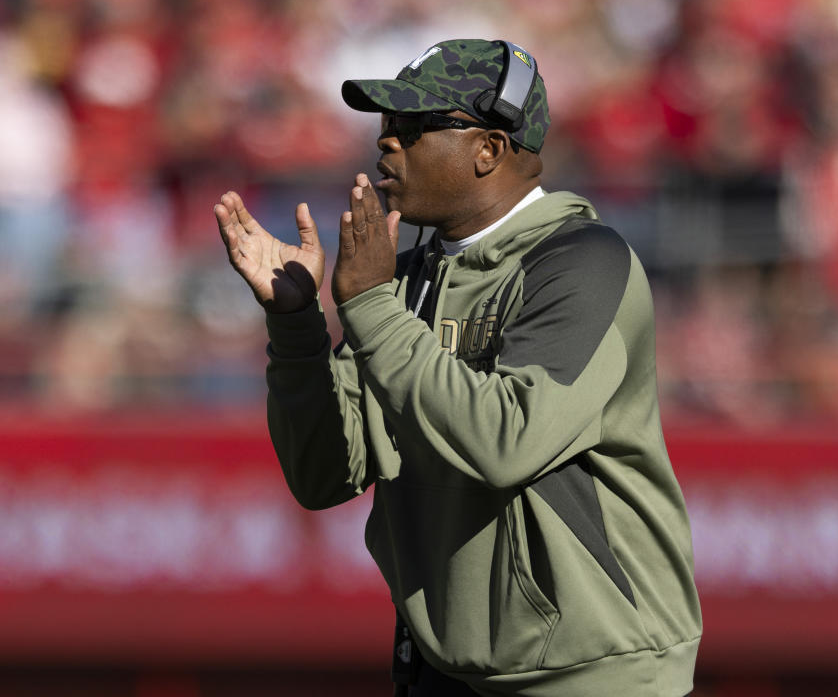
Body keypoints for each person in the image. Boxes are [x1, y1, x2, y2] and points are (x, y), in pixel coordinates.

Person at [212, 39, 701, 696]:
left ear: (489, 149)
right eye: (385, 127)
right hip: (445, 668)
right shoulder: (401, 278)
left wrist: (372, 307)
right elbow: (326, 474)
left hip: (590, 670)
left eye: (413, 128)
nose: (386, 144)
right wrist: (298, 326)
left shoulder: (583, 262)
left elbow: (507, 441)